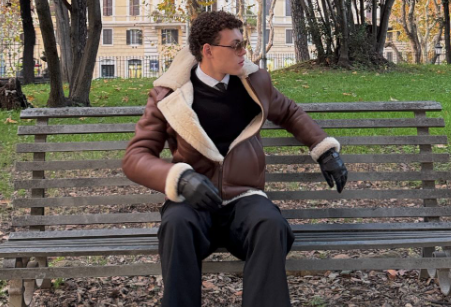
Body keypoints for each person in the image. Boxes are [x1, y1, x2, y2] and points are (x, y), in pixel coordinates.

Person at [122, 11, 348, 307]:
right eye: (236, 45)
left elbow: (290, 112)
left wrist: (325, 149)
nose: (245, 52)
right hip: (194, 202)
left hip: (245, 198)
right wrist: (180, 178)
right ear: (208, 51)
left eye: (245, 44)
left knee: (271, 224)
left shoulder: (254, 84)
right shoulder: (170, 95)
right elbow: (136, 156)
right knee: (175, 225)